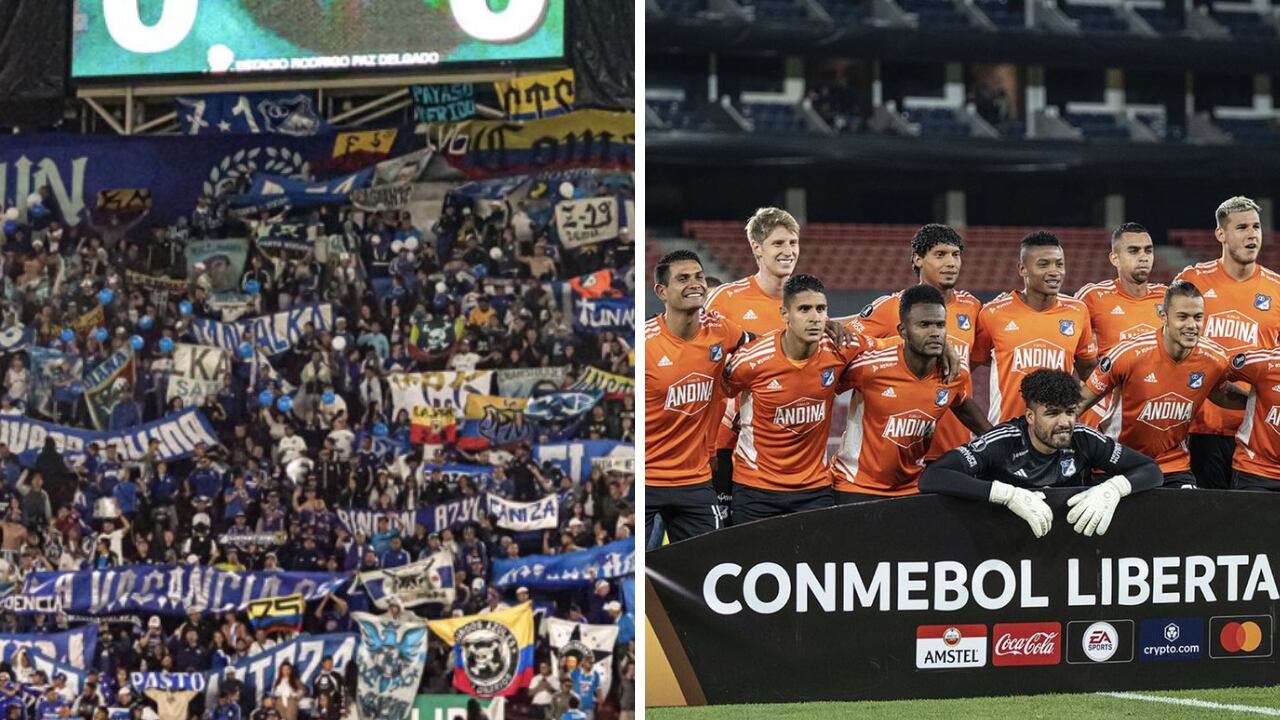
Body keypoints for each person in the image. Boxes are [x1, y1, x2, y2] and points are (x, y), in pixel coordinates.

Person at [920, 369, 1162, 537]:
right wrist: (1006, 494)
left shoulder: (1083, 439)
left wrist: (1113, 490)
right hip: (1003, 544)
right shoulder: (1004, 441)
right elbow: (934, 476)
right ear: (1030, 417)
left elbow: (1150, 470)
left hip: (1069, 543)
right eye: (1053, 413)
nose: (1065, 422)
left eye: (1069, 412)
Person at [722, 274, 874, 522]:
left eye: (820, 309)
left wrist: (945, 349)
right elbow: (723, 391)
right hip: (755, 488)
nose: (815, 317)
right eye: (804, 309)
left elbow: (890, 344)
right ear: (784, 314)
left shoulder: (841, 347)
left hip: (814, 488)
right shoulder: (751, 360)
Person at [831, 284, 991, 501]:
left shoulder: (952, 372)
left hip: (911, 488)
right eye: (924, 325)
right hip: (856, 486)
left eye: (940, 325)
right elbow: (824, 386)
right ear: (903, 331)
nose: (934, 332)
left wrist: (997, 439)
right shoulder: (869, 367)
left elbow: (962, 403)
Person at [1078, 281, 1242, 486]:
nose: (1192, 325)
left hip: (1172, 465)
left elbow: (1223, 394)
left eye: (1198, 317)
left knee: (1191, 515)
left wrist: (1260, 401)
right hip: (1118, 461)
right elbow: (1080, 402)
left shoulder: (1214, 359)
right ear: (1163, 316)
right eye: (1182, 317)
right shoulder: (1128, 355)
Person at [843, 224, 984, 461]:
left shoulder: (972, 307)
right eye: (940, 255)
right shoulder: (891, 308)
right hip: (900, 448)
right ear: (918, 259)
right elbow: (846, 343)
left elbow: (975, 361)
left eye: (956, 255)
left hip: (955, 446)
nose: (951, 263)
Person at [1174, 195, 1280, 488]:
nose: (1252, 235)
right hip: (1201, 426)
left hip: (1258, 437)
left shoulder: (1277, 289)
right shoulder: (1193, 279)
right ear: (1221, 234)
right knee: (1206, 524)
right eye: (1242, 227)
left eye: (1256, 227)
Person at [644, 250, 747, 548]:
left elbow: (765, 349)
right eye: (683, 278)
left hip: (695, 479)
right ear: (661, 291)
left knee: (709, 565)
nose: (696, 283)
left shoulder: (720, 330)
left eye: (699, 276)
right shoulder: (645, 344)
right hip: (647, 480)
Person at [972, 231, 1097, 424]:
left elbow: (1088, 370)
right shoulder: (993, 313)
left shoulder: (1078, 311)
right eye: (1043, 264)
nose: (1055, 271)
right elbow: (974, 363)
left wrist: (1074, 410)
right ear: (1023, 269)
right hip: (1007, 430)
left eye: (1059, 264)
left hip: (1055, 431)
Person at [1074, 222, 1168, 429]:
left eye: (1148, 250)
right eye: (1133, 251)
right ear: (1114, 258)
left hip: (1153, 413)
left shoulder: (1167, 297)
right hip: (1101, 413)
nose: (1143, 257)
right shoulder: (1092, 297)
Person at [569, 655, 602, 720]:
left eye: (592, 662)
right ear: (583, 662)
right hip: (576, 707)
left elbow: (598, 689)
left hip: (589, 707)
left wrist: (600, 703)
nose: (590, 664)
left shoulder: (595, 674)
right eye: (588, 662)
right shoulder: (576, 672)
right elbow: (569, 684)